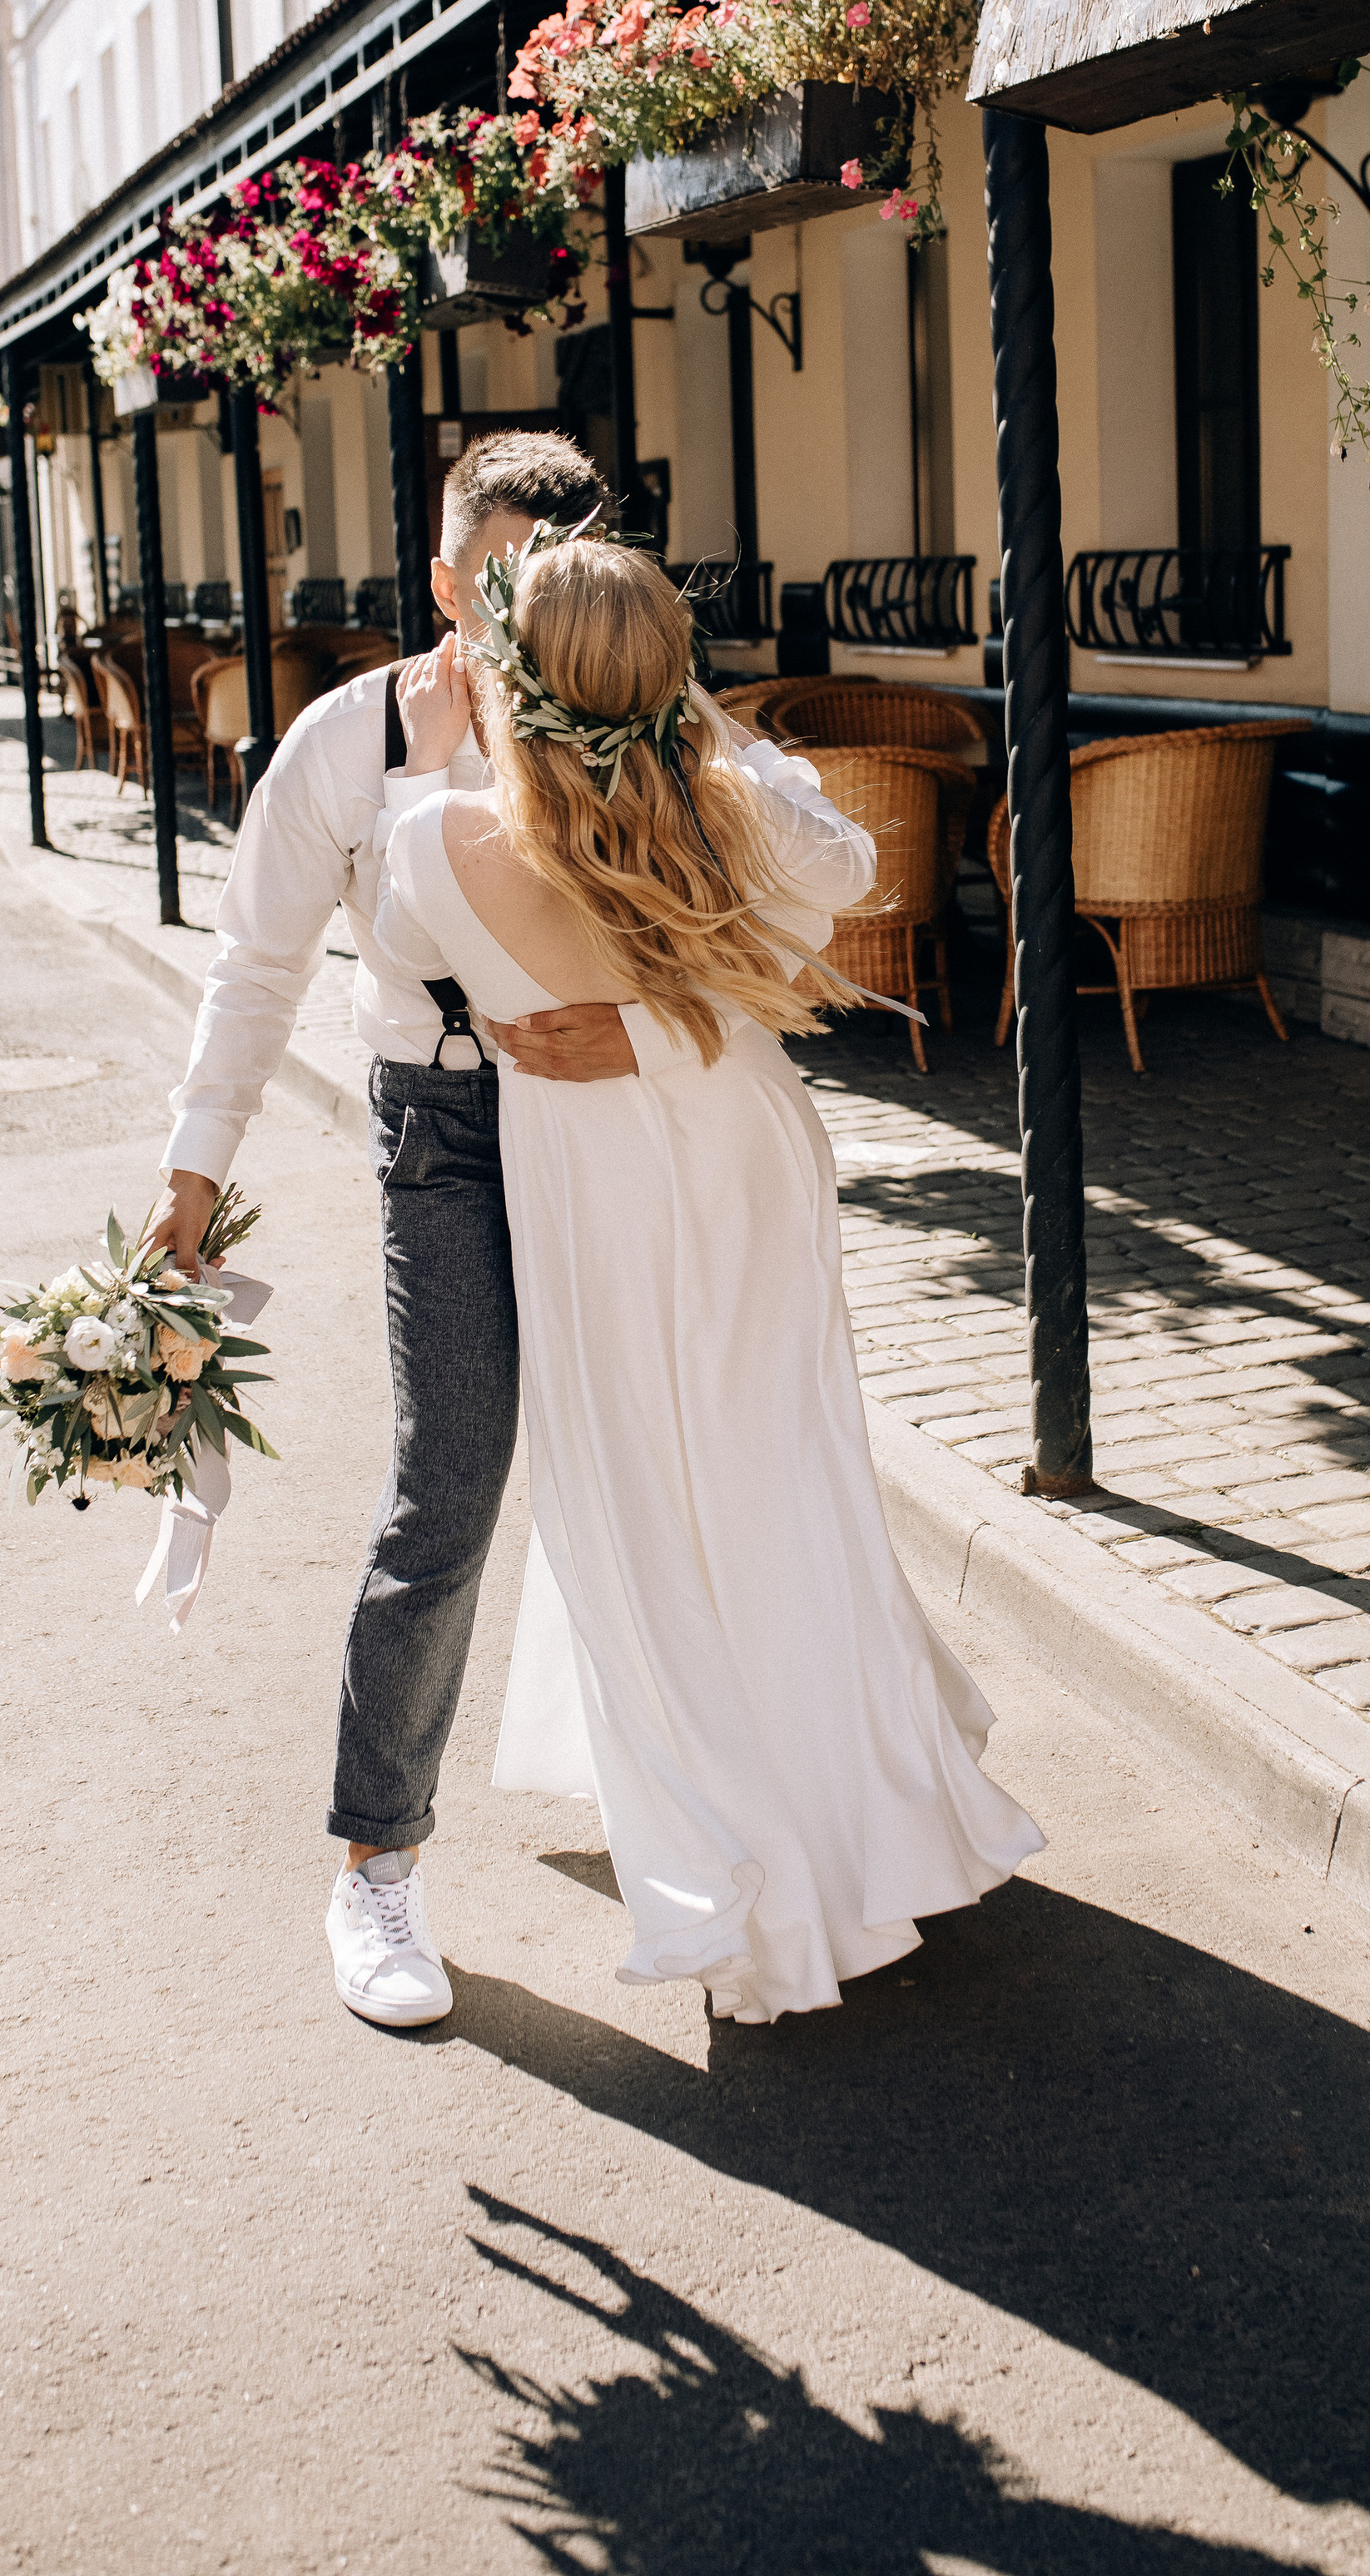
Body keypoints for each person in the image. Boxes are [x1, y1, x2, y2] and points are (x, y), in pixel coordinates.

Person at [153, 431, 866, 2031]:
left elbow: (761, 908)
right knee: (451, 1486)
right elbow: (260, 966)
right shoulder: (349, 743)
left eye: (547, 575)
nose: (519, 607)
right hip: (449, 1140)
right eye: (492, 581)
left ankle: (726, 1784)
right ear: (442, 579)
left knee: (682, 1454)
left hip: (627, 1128)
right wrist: (194, 1175)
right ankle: (375, 1866)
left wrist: (660, 1022)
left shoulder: (647, 714)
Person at [375, 523, 1044, 2025]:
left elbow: (410, 939)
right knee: (778, 1469)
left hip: (590, 1184)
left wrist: (435, 761)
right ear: (672, 676)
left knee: (638, 1497)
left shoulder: (438, 836)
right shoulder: (736, 808)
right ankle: (863, 1810)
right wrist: (700, 736)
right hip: (737, 1155)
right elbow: (851, 869)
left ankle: (729, 1837)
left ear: (505, 673)